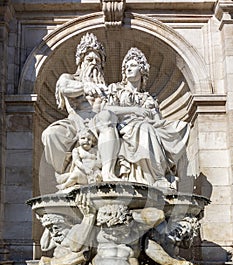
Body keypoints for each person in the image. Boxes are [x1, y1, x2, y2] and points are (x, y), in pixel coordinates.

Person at [95, 47, 190, 187]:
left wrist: (153, 116)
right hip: (123, 127)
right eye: (126, 66)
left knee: (179, 127)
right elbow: (106, 109)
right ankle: (156, 177)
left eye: (132, 65)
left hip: (147, 126)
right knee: (146, 129)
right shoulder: (116, 89)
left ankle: (153, 176)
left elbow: (159, 121)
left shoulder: (148, 98)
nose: (128, 69)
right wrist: (135, 110)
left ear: (142, 70)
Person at [42, 33, 107, 174]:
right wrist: (84, 86)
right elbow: (64, 87)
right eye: (90, 59)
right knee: (51, 134)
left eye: (98, 60)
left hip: (102, 125)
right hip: (75, 123)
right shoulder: (69, 78)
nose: (94, 63)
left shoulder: (107, 87)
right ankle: (64, 173)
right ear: (81, 61)